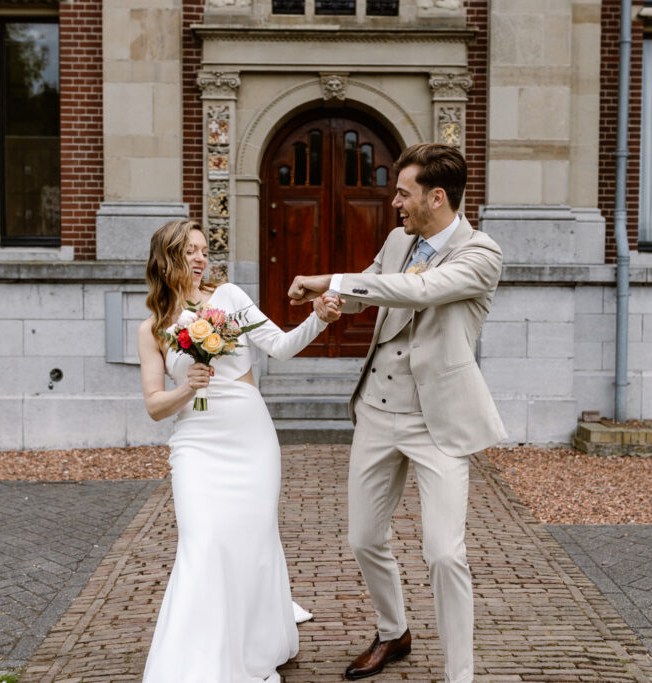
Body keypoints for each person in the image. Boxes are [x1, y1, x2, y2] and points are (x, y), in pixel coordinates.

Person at [287, 143, 507, 683]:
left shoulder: (481, 254)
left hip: (438, 423)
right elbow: (375, 284)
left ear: (436, 196)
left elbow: (420, 291)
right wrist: (335, 302)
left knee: (443, 553)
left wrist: (332, 279)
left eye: (403, 193)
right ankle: (394, 632)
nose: (394, 203)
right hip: (378, 410)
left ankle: (461, 675)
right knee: (363, 538)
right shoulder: (397, 240)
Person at [138, 219, 340, 683]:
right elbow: (154, 407)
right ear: (166, 256)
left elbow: (281, 347)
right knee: (202, 540)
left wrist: (320, 318)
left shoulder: (228, 298)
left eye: (204, 250)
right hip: (196, 443)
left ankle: (251, 645)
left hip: (249, 437)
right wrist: (188, 387)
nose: (200, 258)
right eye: (189, 250)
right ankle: (197, 660)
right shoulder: (151, 328)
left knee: (253, 541)